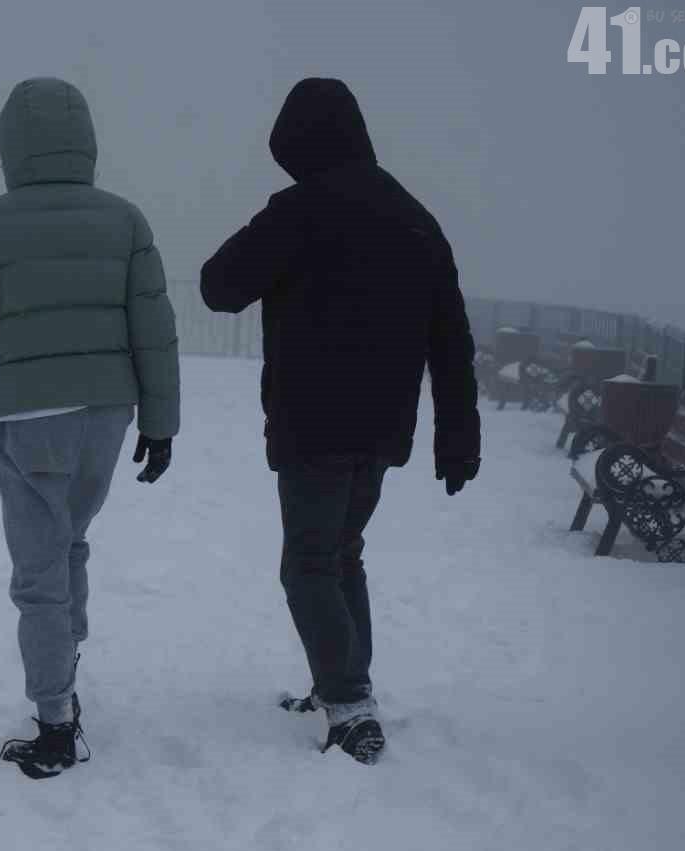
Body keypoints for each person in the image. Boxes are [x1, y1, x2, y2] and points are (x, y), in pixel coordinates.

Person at [199, 77, 481, 765]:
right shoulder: (415, 218)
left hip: (314, 421)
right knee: (341, 553)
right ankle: (342, 685)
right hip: (384, 427)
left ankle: (350, 705)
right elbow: (452, 338)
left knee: (308, 564)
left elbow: (218, 286)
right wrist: (457, 434)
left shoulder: (301, 210)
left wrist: (283, 234)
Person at [0, 77, 180, 780]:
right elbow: (154, 328)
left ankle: (54, 721)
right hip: (108, 412)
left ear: (12, 145)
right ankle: (64, 667)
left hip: (31, 417)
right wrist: (160, 423)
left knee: (40, 570)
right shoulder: (125, 221)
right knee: (70, 544)